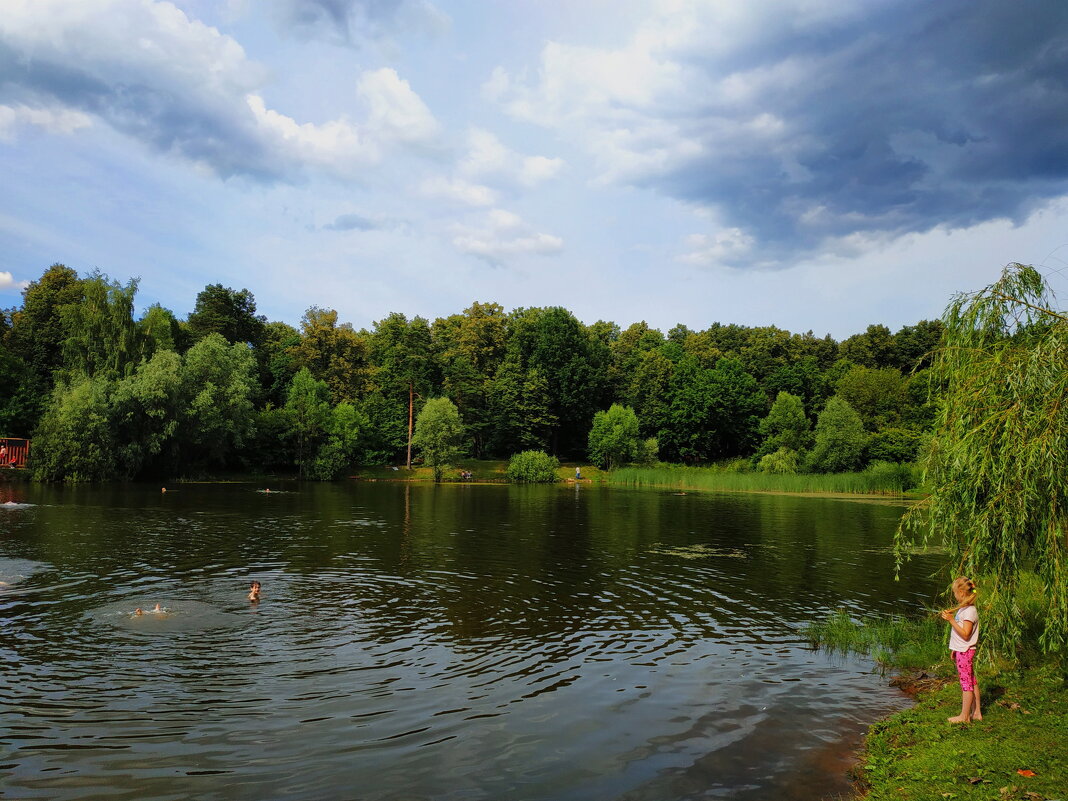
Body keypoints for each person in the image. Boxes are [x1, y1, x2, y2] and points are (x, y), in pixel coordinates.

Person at [941, 576, 981, 723]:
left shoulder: (969, 612)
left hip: (965, 651)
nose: (954, 596)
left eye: (955, 593)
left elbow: (965, 634)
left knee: (966, 684)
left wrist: (951, 620)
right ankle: (976, 712)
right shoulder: (964, 609)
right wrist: (955, 649)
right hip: (962, 650)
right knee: (971, 680)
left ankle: (964, 717)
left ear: (961, 592)